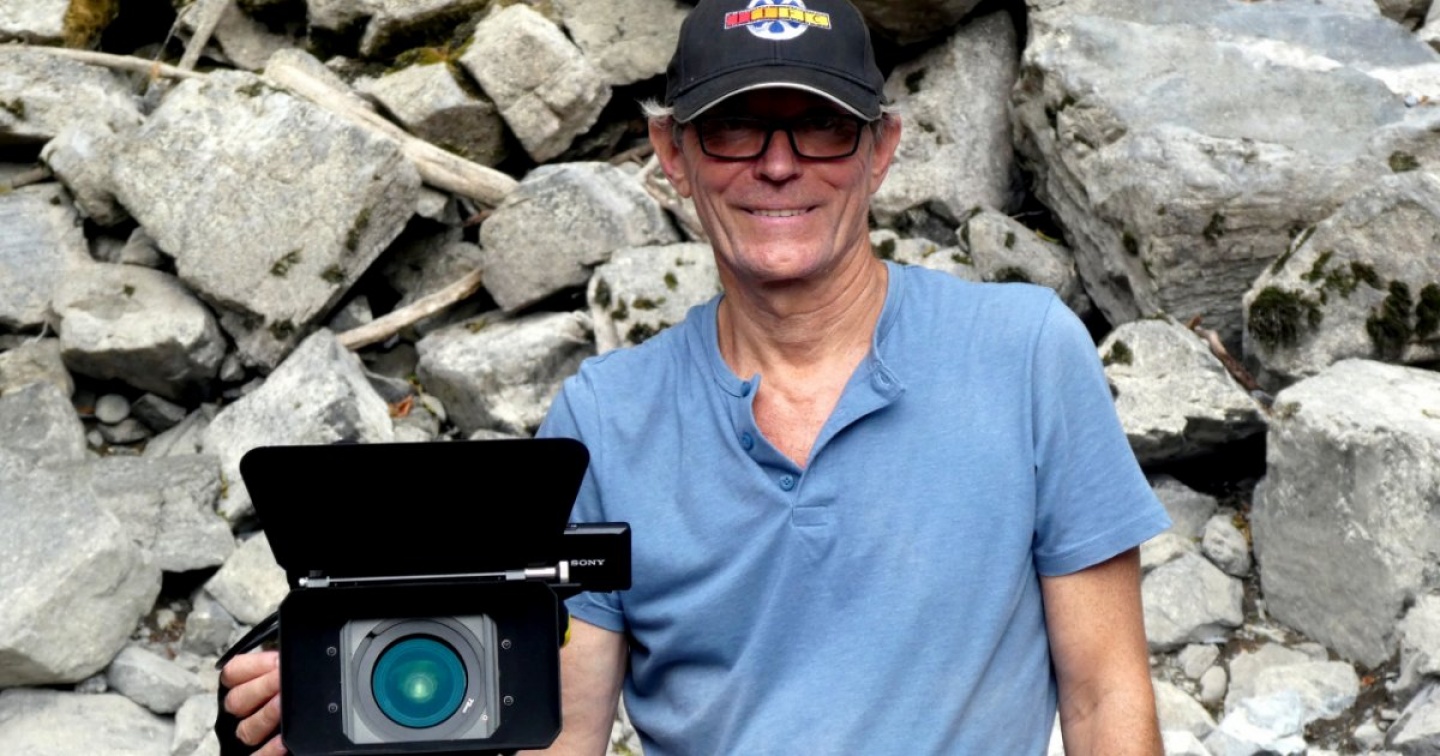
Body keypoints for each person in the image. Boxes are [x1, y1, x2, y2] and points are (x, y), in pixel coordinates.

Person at [220, 0, 1171, 753]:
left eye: (822, 127)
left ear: (881, 150)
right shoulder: (605, 420)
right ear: (672, 155)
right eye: (734, 129)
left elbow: (1105, 696)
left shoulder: (1025, 354)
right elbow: (564, 733)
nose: (779, 165)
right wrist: (372, 723)